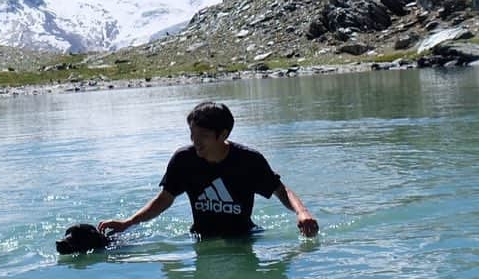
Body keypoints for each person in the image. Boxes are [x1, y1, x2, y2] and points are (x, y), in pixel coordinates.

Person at [98, 102, 319, 239]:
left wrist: (302, 213)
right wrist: (128, 223)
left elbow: (281, 191)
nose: (196, 143)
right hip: (201, 238)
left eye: (203, 137)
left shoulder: (248, 160)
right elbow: (164, 200)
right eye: (192, 136)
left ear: (222, 135)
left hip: (243, 238)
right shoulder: (183, 160)